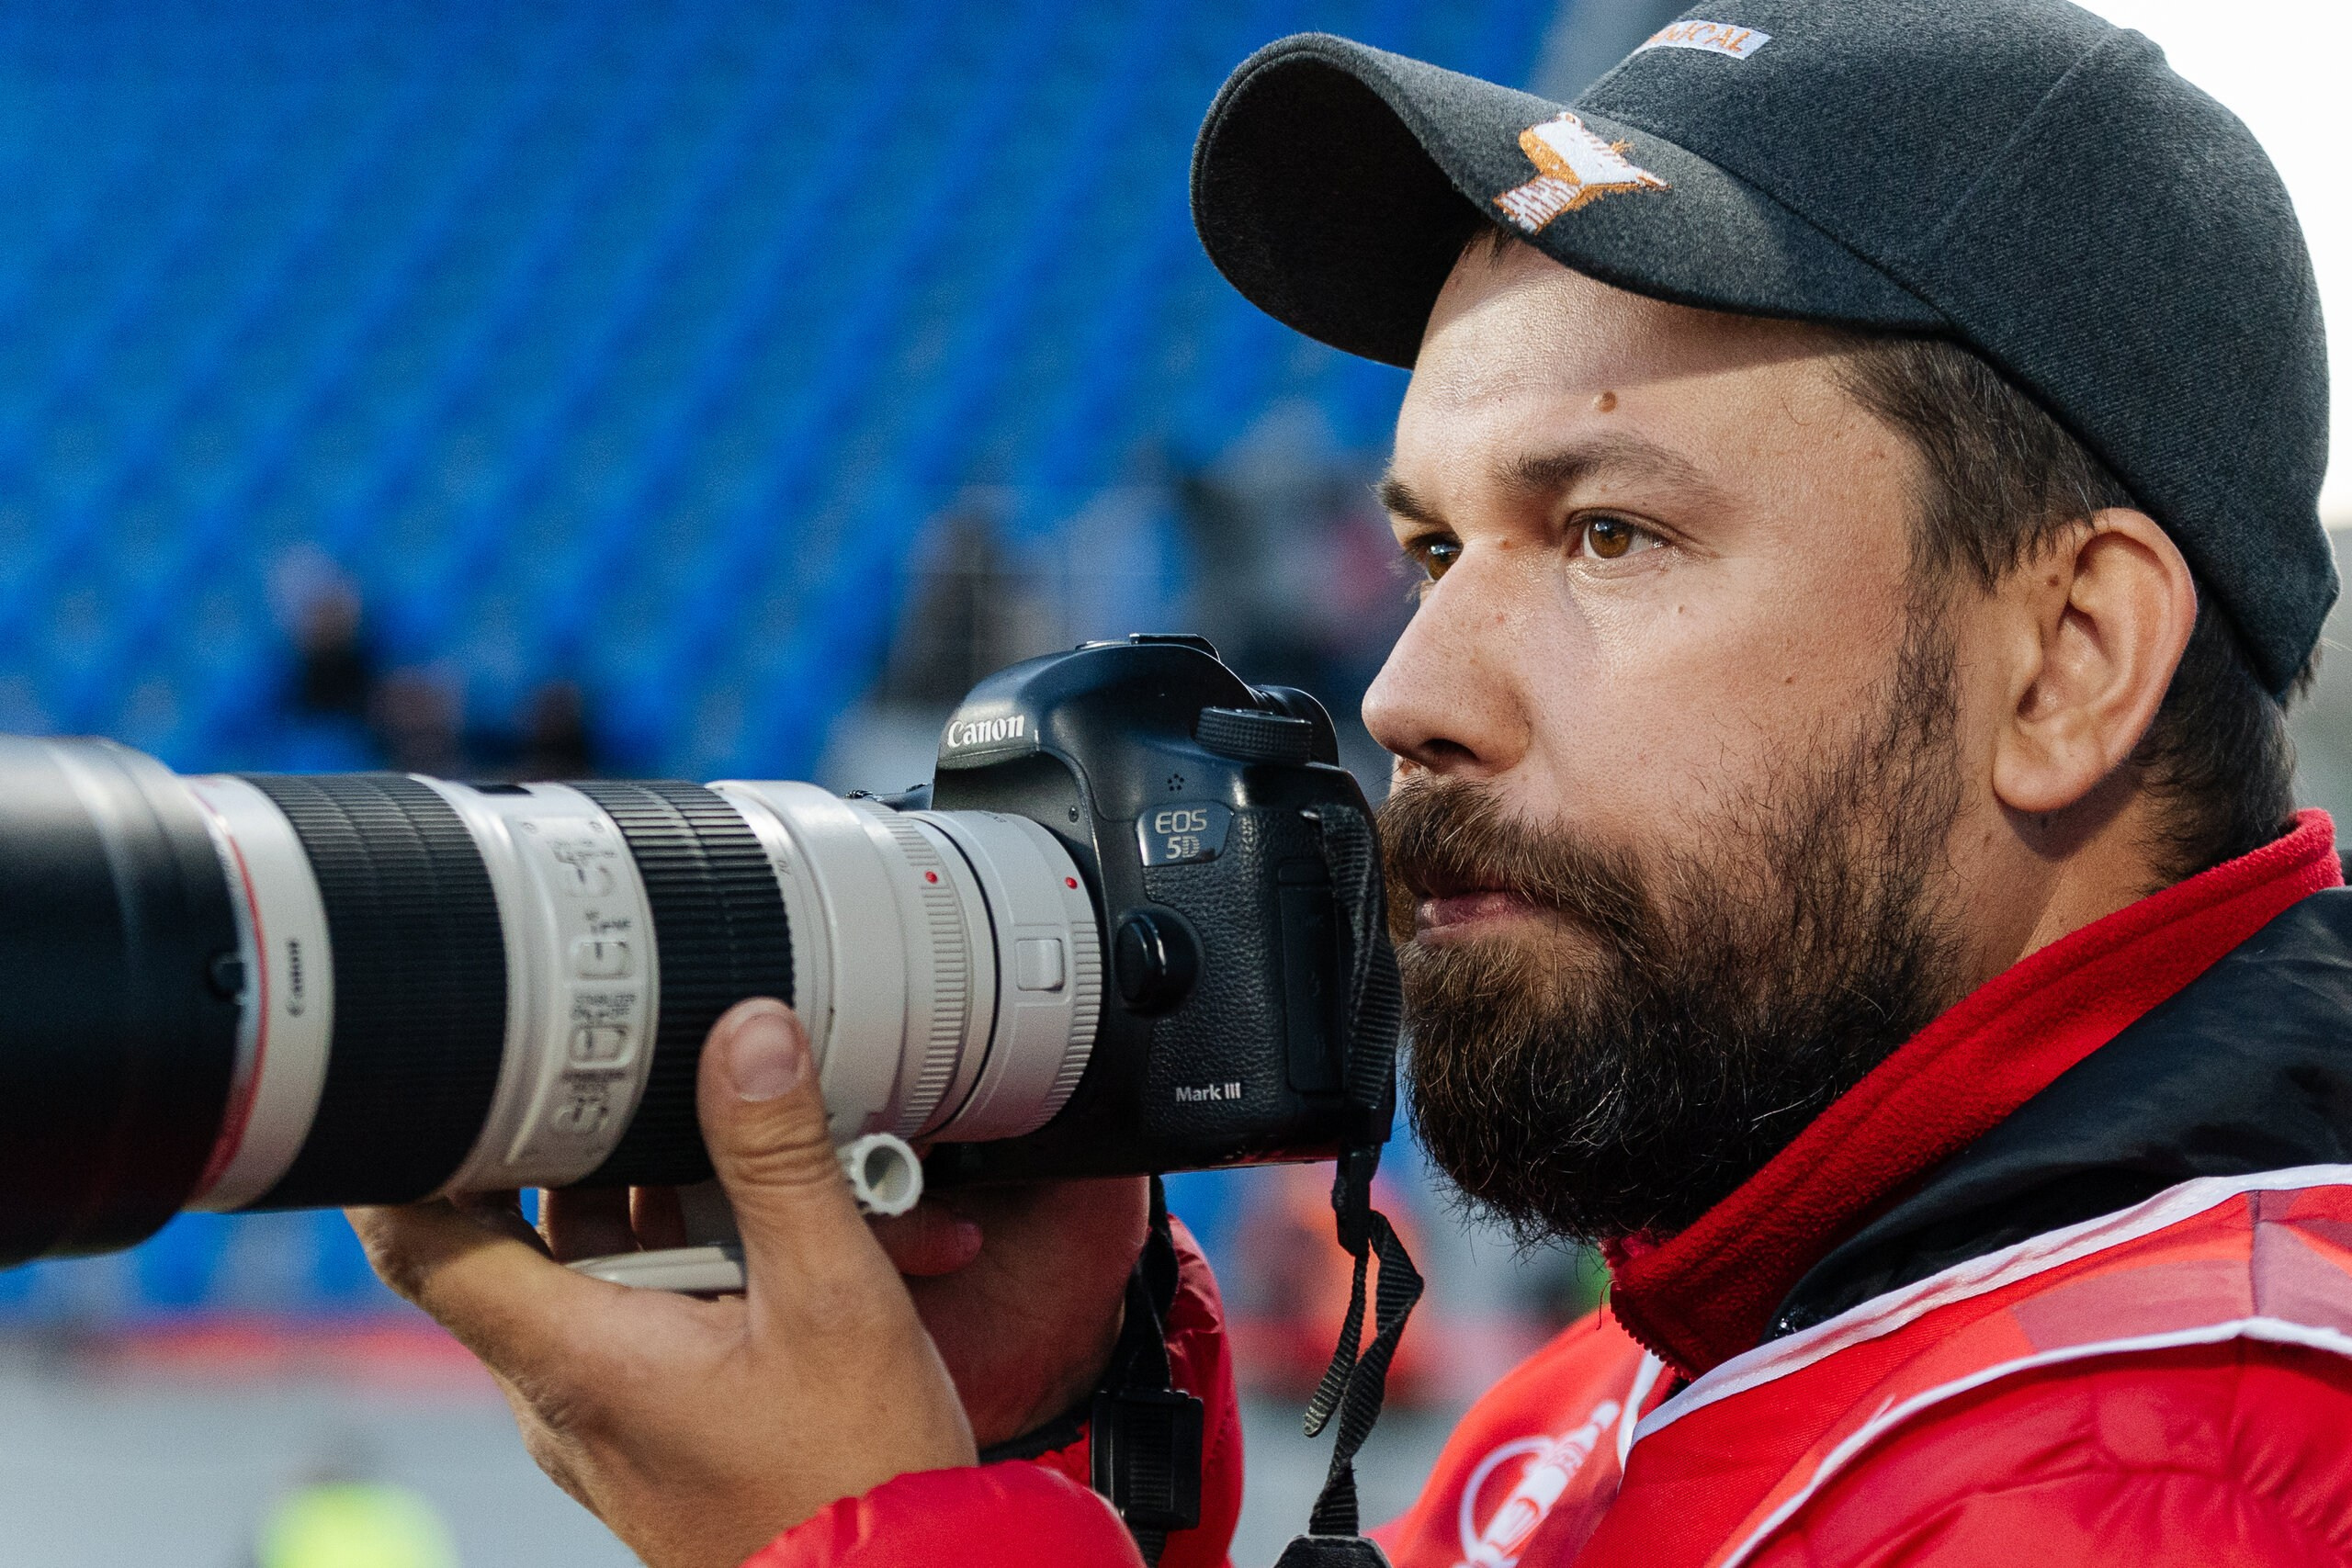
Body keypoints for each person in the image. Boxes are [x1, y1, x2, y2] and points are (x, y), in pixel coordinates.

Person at [348, 2, 2352, 1563]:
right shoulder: (1727, 1325)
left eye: (1607, 536)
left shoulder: (2163, 1465)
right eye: (1430, 547)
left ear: (2067, 656)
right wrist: (1042, 1436)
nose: (1408, 690)